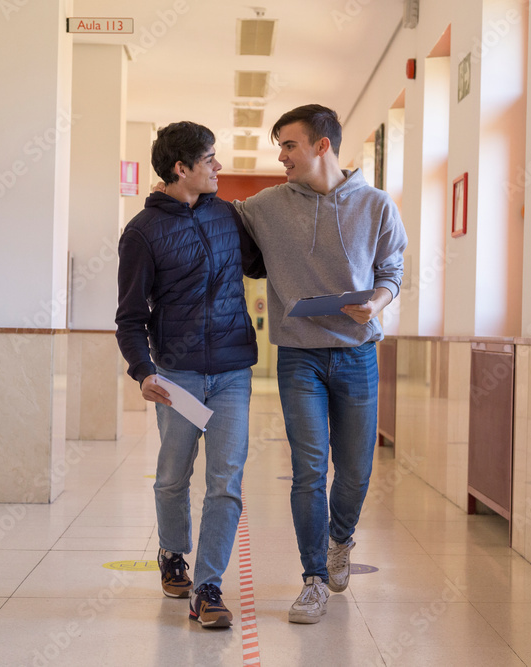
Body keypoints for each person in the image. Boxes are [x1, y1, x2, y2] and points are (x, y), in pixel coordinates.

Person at [233, 104, 408, 623]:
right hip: (299, 357)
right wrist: (172, 197)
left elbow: (392, 269)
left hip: (357, 354)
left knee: (354, 471)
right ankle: (311, 578)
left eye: (288, 145)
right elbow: (221, 220)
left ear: (321, 145)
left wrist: (377, 302)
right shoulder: (265, 205)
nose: (281, 156)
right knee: (309, 470)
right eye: (280, 146)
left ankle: (340, 539)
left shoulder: (376, 205)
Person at [114, 121, 262, 629]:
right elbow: (130, 316)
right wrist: (142, 370)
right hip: (176, 374)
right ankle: (172, 553)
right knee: (173, 476)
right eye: (210, 158)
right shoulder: (142, 232)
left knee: (226, 481)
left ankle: (208, 587)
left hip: (231, 370)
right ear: (182, 168)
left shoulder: (227, 217)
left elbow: (261, 265)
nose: (218, 166)